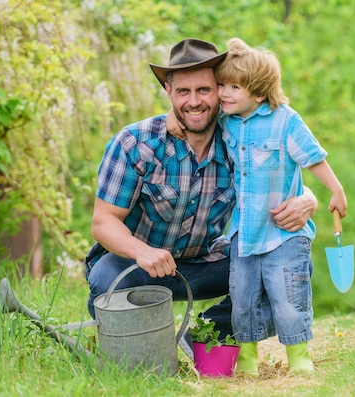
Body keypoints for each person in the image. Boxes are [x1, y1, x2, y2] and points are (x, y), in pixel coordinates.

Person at [83, 38, 318, 342]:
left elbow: (281, 176)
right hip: (137, 265)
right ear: (169, 92)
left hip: (205, 263)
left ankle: (201, 338)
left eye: (204, 90)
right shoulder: (136, 143)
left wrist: (307, 199)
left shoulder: (239, 139)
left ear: (221, 91)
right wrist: (143, 252)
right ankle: (141, 349)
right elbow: (103, 222)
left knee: (290, 264)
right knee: (106, 277)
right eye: (183, 91)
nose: (194, 102)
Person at [170, 38, 347, 375]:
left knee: (289, 296)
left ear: (260, 93)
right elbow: (193, 113)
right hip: (244, 233)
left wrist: (334, 190)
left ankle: (299, 358)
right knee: (244, 300)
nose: (224, 93)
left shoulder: (285, 121)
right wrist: (171, 115)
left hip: (284, 233)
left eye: (234, 86)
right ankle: (247, 359)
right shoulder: (227, 120)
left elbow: (313, 158)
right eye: (222, 85)